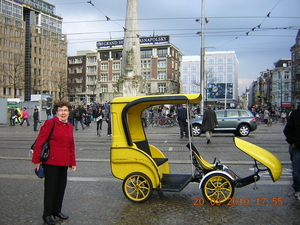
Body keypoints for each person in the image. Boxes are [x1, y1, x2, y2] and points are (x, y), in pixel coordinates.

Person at [32, 101, 76, 225]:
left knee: (61, 187)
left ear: (69, 112)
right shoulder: (50, 123)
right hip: (51, 162)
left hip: (64, 162)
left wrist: (73, 162)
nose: (63, 113)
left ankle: (57, 210)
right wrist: (36, 161)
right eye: (61, 110)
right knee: (50, 189)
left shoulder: (69, 126)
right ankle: (47, 214)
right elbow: (40, 142)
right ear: (56, 112)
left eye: (66, 110)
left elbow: (71, 145)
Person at [283, 105, 300, 200]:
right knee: (297, 171)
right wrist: (292, 142)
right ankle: (297, 189)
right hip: (297, 147)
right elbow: (287, 130)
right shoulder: (295, 114)